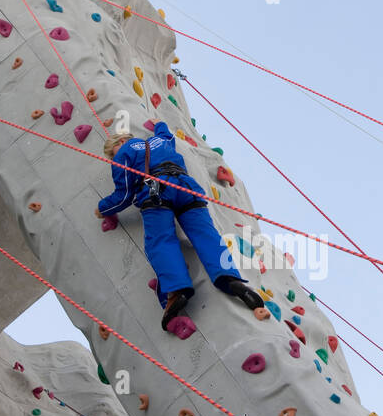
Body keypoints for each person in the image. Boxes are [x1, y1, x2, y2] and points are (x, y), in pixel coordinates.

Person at [96, 121, 263, 329]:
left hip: (156, 192)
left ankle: (177, 290)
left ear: (121, 141)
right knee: (205, 234)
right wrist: (160, 125)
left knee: (160, 241)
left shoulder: (123, 154)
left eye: (112, 152)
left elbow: (124, 196)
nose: (113, 156)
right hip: (186, 187)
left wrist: (103, 208)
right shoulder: (160, 141)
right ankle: (230, 279)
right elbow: (166, 132)